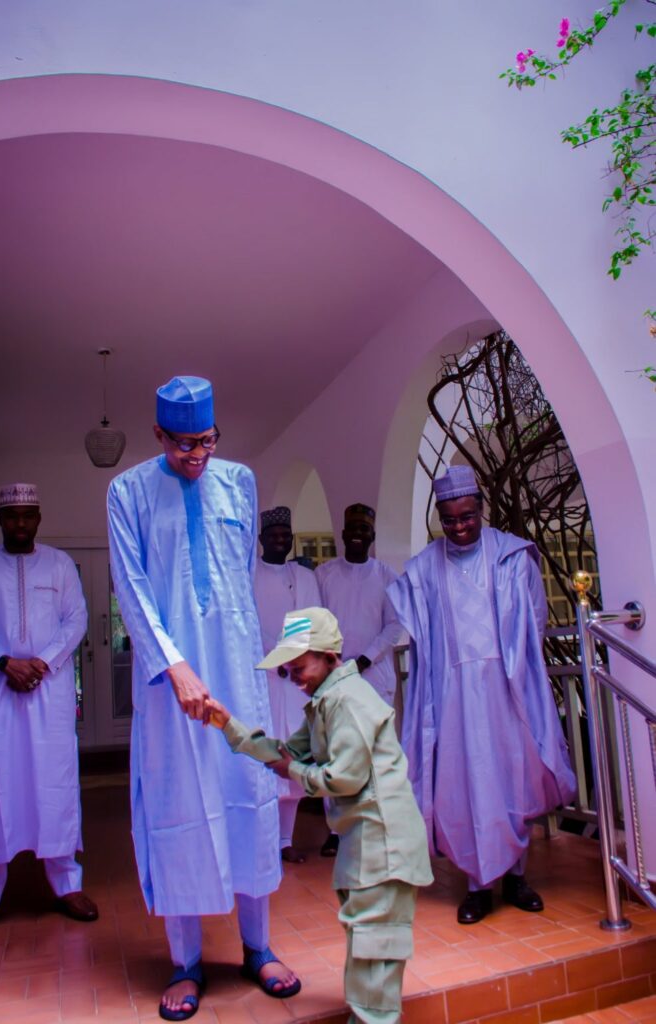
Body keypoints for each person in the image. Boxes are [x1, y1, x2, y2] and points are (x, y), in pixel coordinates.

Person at [107, 376, 300, 1022]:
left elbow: (237, 576)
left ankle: (257, 947)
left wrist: (226, 651)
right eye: (184, 444)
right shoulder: (126, 493)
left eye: (207, 442)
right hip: (171, 687)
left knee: (247, 795)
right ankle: (187, 963)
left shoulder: (238, 482)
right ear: (158, 434)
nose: (197, 456)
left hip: (236, 671)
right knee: (179, 804)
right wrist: (175, 662)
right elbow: (131, 588)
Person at [204, 607, 433, 1024]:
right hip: (364, 842)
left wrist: (295, 771)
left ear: (330, 655)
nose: (295, 677)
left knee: (376, 949)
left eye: (300, 665)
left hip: (384, 844)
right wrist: (227, 725)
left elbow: (343, 778)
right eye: (288, 670)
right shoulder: (326, 702)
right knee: (367, 946)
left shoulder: (348, 700)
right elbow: (284, 755)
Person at [388, 465, 576, 925]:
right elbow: (414, 625)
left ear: (481, 509)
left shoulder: (514, 556)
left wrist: (515, 676)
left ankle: (515, 876)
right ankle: (476, 886)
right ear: (439, 517)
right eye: (449, 520)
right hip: (451, 698)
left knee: (512, 779)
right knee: (463, 788)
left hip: (506, 691)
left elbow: (534, 622)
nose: (459, 527)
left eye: (467, 517)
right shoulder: (424, 569)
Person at [0, 483, 98, 944]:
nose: (20, 524)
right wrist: (4, 661)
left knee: (55, 781)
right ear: (0, 518)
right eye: (12, 516)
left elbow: (78, 619)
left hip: (48, 690)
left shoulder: (60, 564)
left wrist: (41, 661)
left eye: (28, 516)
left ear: (39, 518)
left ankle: (67, 883)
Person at [316, 503, 402, 857]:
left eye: (363, 530)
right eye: (351, 528)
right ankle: (338, 831)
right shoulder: (324, 575)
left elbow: (395, 624)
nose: (356, 535)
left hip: (374, 676)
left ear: (372, 537)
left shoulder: (386, 576)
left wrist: (366, 657)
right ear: (342, 533)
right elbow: (316, 620)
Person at [254, 505, 320, 863]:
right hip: (262, 678)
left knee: (293, 762)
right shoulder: (250, 573)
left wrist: (292, 657)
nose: (280, 541)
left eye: (285, 535)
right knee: (264, 759)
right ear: (262, 539)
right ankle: (263, 844)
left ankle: (285, 841)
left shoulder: (304, 576)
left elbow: (311, 617)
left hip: (296, 681)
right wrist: (275, 655)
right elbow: (247, 621)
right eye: (274, 535)